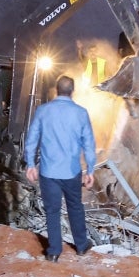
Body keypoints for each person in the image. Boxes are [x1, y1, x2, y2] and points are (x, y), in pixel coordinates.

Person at [24, 74, 96, 261]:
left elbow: (31, 140)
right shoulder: (81, 113)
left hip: (48, 172)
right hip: (72, 172)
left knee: (52, 211)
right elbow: (88, 143)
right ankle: (81, 246)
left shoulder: (43, 111)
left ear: (57, 90)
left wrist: (30, 164)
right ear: (72, 91)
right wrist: (90, 170)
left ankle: (54, 252)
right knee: (75, 207)